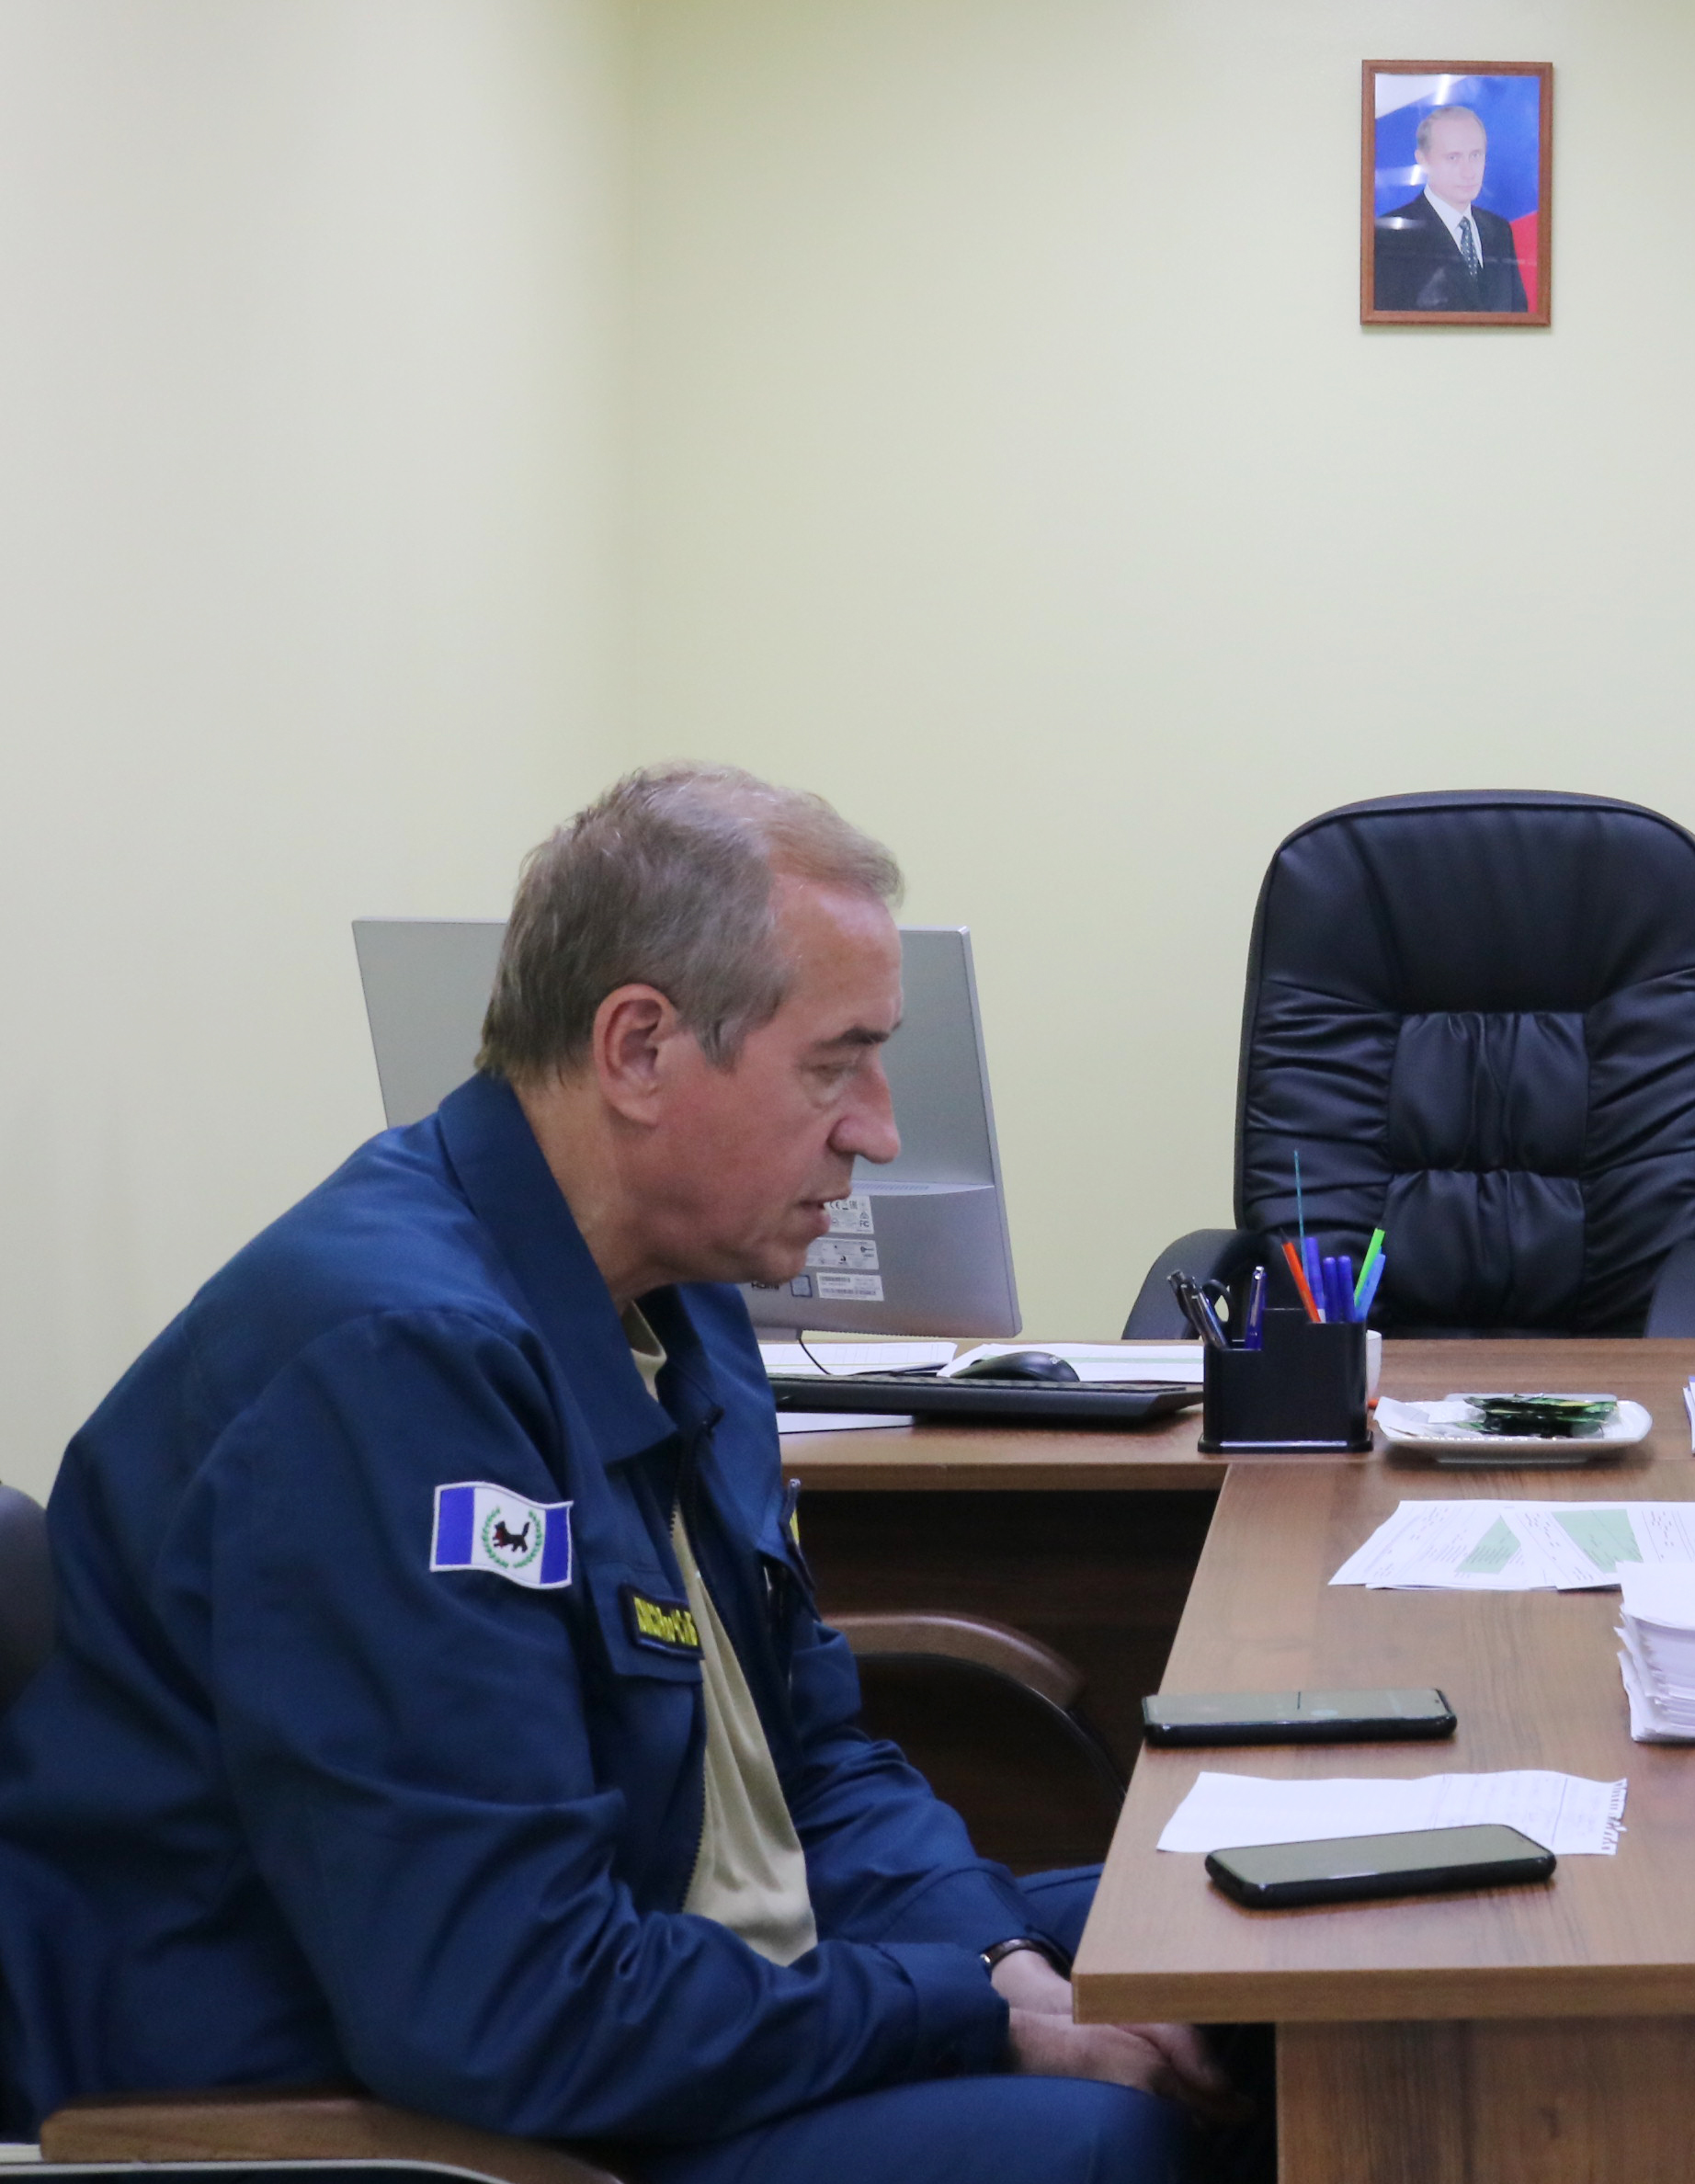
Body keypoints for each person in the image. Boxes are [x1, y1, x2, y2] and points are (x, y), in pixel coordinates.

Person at [0, 767, 1232, 2181]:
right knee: (1103, 2140)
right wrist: (965, 2015)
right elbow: (505, 2007)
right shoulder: (396, 1369)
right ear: (639, 1049)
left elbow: (810, 1754)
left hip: (659, 1980)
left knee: (1233, 1958)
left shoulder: (670, 1294)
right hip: (395, 2122)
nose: (879, 1129)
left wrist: (994, 1956)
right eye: (834, 1065)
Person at [1371, 103, 1528, 313]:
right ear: (1423, 161)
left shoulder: (1499, 230)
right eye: (1453, 158)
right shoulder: (1390, 235)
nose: (1468, 172)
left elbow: (1518, 315)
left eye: (1475, 155)